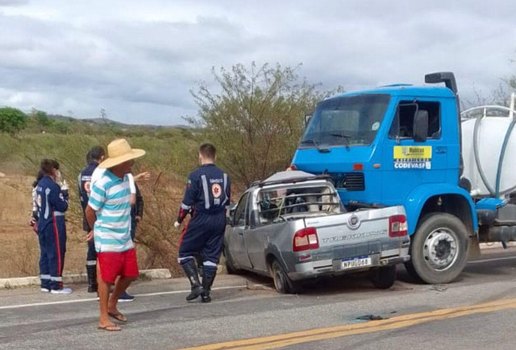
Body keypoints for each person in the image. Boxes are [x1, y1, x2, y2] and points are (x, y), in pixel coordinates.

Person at [85, 138, 145, 331]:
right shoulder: (103, 183)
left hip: (124, 236)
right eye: (129, 160)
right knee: (106, 278)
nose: (132, 163)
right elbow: (90, 210)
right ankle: (103, 318)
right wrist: (96, 230)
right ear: (119, 163)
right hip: (107, 238)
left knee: (130, 274)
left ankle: (112, 304)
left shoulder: (126, 179)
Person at [174, 143, 231, 303]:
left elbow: (186, 203)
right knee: (211, 256)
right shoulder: (225, 176)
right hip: (219, 219)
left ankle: (195, 285)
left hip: (201, 218)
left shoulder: (195, 176)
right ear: (215, 156)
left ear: (200, 156)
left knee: (184, 253)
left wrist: (179, 220)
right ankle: (206, 293)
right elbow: (227, 202)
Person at [35, 159, 72, 294]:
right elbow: (62, 206)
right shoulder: (53, 186)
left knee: (45, 253)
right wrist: (65, 193)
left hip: (42, 223)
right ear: (53, 170)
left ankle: (45, 283)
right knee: (56, 253)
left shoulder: (39, 185)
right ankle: (56, 285)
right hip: (53, 223)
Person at [78, 146, 105, 293]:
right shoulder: (101, 172)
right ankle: (103, 281)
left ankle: (91, 283)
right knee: (102, 248)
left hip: (86, 214)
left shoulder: (81, 173)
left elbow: (80, 195)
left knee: (91, 249)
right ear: (101, 157)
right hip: (99, 215)